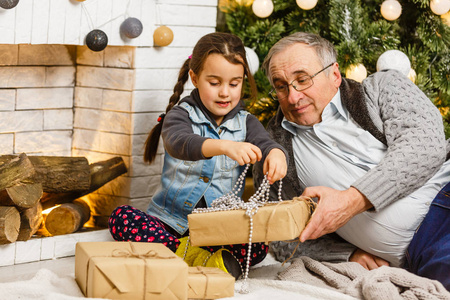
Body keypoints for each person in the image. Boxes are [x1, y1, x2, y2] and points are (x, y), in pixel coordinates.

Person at [253, 31, 450, 288]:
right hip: (424, 246)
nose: (292, 97)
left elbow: (426, 145)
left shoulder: (383, 86)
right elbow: (277, 235)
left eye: (302, 80)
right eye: (281, 86)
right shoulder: (273, 151)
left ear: (334, 74)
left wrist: (352, 200)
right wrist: (346, 255)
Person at [108, 32, 288, 280]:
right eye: (214, 83)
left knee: (259, 246)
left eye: (234, 84)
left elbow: (265, 144)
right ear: (195, 77)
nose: (225, 93)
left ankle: (187, 255)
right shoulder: (181, 114)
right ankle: (189, 254)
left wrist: (276, 154)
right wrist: (224, 146)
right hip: (171, 224)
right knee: (122, 218)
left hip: (219, 229)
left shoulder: (247, 122)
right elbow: (180, 143)